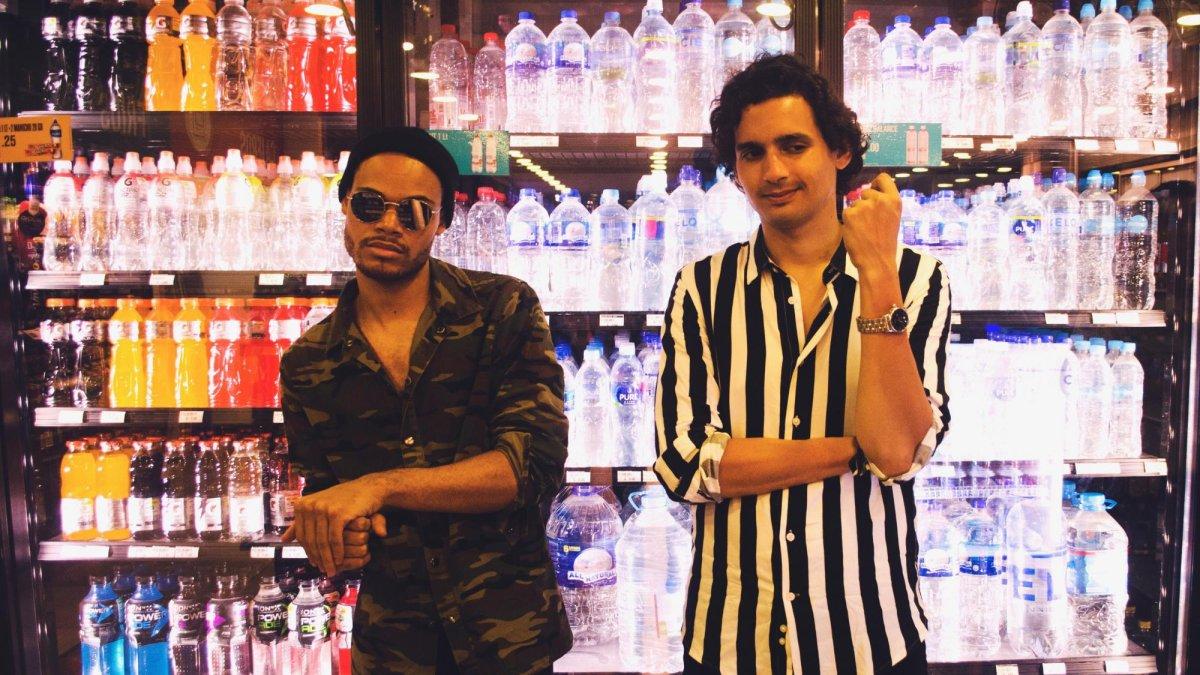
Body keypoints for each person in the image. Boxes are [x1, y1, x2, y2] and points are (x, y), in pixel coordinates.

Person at [653, 55, 951, 674]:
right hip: (730, 638)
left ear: (839, 151)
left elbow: (898, 453)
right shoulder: (702, 287)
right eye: (752, 153)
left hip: (870, 637)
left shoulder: (914, 279)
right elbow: (685, 465)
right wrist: (853, 451)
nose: (774, 171)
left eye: (794, 146)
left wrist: (876, 273)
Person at [280, 127, 572, 674]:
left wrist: (380, 486)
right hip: (394, 649)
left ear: (440, 223)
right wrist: (339, 539)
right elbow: (328, 502)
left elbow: (531, 466)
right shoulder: (308, 363)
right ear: (345, 207)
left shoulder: (502, 310)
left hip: (508, 639)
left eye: (414, 211)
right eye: (371, 205)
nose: (389, 224)